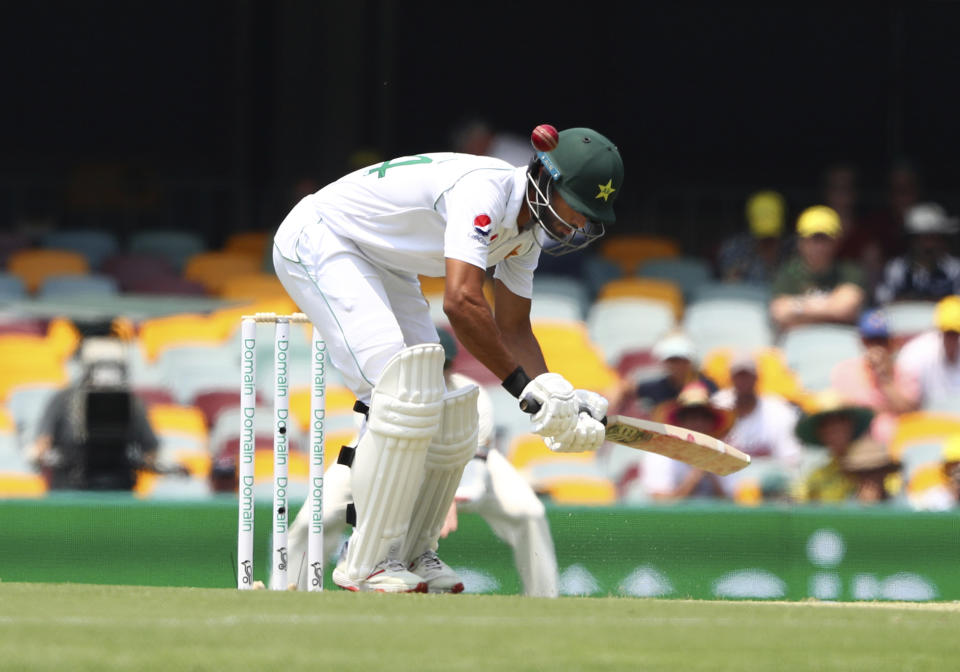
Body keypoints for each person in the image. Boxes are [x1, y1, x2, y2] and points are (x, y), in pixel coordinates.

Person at [272, 125, 623, 592]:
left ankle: (414, 551)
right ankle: (365, 560)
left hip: (384, 261)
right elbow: (461, 302)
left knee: (442, 405)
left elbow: (514, 327)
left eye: (588, 218)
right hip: (322, 237)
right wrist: (525, 391)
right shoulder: (485, 191)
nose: (579, 225)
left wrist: (560, 395)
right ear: (544, 175)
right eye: (577, 208)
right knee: (401, 392)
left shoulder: (526, 236)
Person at [281, 329, 560, 596]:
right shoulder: (382, 395)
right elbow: (379, 465)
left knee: (529, 513)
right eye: (430, 364)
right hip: (379, 463)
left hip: (465, 466)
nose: (436, 373)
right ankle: (286, 591)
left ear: (451, 366)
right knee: (311, 520)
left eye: (443, 365)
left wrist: (445, 499)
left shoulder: (471, 397)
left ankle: (544, 597)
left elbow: (471, 464)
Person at [26, 337, 159, 491]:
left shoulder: (133, 404)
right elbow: (42, 444)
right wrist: (41, 456)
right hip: (70, 490)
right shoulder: (62, 400)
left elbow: (151, 450)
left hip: (119, 493)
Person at [711, 350, 802, 497]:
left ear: (757, 377)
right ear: (730, 378)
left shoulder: (779, 411)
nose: (743, 381)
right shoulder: (716, 407)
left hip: (766, 494)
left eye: (747, 375)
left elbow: (790, 461)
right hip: (722, 494)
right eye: (738, 376)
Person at [829, 309, 920, 446]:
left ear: (891, 343)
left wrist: (884, 379)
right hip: (858, 445)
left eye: (881, 341)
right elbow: (845, 413)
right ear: (862, 341)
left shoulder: (905, 372)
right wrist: (879, 409)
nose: (876, 347)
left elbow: (909, 412)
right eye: (870, 341)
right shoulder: (844, 371)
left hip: (898, 443)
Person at [769, 205, 866, 331]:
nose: (819, 246)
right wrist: (830, 306)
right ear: (800, 242)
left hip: (839, 342)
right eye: (813, 239)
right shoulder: (788, 272)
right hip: (800, 342)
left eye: (825, 239)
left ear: (837, 241)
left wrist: (798, 308)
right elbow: (779, 312)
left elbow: (846, 309)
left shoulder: (850, 271)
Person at [792, 391, 899, 504]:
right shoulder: (816, 478)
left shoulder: (878, 463)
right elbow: (796, 504)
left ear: (851, 424)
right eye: (826, 424)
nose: (834, 428)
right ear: (819, 432)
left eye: (840, 420)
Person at [641, 382, 732, 501]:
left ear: (711, 423)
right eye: (692, 418)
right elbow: (662, 505)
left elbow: (732, 504)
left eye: (704, 417)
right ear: (679, 423)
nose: (698, 424)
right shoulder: (659, 455)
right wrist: (696, 474)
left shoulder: (725, 454)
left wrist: (711, 472)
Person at [607, 331, 718, 419]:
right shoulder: (657, 386)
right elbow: (626, 387)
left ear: (689, 361)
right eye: (672, 360)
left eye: (680, 360)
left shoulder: (707, 386)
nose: (676, 365)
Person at [875, 203, 960, 305]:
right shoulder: (896, 268)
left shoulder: (954, 269)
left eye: (934, 238)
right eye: (923, 238)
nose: (929, 245)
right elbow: (883, 300)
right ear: (912, 240)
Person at [896, 295, 960, 410]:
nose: (953, 339)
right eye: (948, 333)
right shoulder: (914, 354)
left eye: (956, 333)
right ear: (939, 331)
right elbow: (907, 405)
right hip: (925, 422)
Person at [715, 190, 792, 284]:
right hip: (745, 297)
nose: (767, 241)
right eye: (763, 238)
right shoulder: (734, 247)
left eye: (771, 238)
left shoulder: (794, 248)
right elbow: (728, 282)